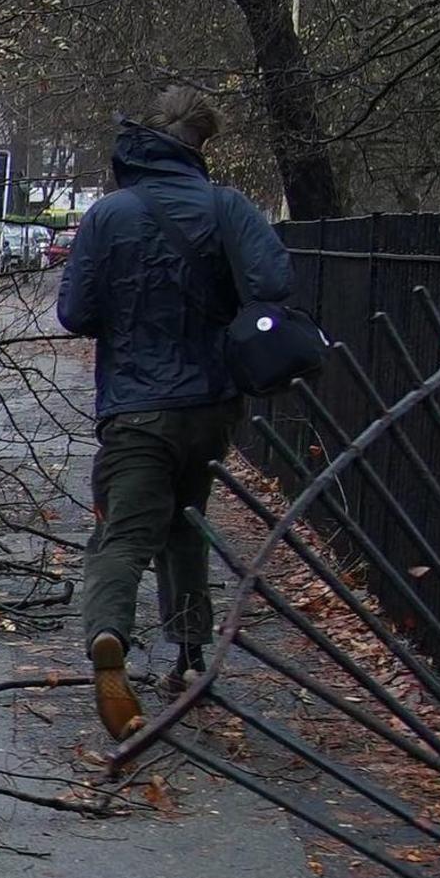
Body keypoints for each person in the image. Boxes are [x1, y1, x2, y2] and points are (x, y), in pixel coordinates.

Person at [54, 85, 291, 741]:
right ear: (200, 143)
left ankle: (109, 635)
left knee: (124, 533)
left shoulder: (108, 216)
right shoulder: (229, 210)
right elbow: (274, 285)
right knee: (188, 523)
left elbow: (74, 312)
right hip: (211, 403)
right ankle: (189, 657)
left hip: (135, 405)